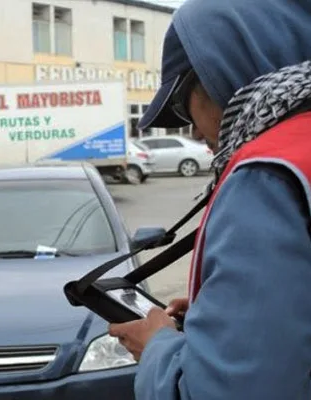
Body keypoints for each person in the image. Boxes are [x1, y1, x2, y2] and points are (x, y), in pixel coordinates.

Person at [107, 0, 311, 398]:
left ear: (226, 70)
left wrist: (158, 349)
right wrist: (221, 316)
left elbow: (230, 391)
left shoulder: (266, 173)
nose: (195, 133)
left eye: (183, 104)